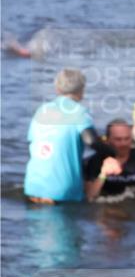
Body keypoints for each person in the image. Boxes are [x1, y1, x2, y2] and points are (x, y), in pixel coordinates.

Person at [24, 68, 113, 203]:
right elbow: (91, 141)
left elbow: (32, 145)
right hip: (62, 192)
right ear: (81, 91)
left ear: (57, 88)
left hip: (33, 186)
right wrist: (113, 152)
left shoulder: (41, 110)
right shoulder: (79, 111)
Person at [84, 118, 135, 200]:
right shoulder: (95, 161)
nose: (123, 143)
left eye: (127, 139)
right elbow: (90, 196)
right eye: (118, 139)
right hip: (107, 205)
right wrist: (103, 174)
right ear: (107, 140)